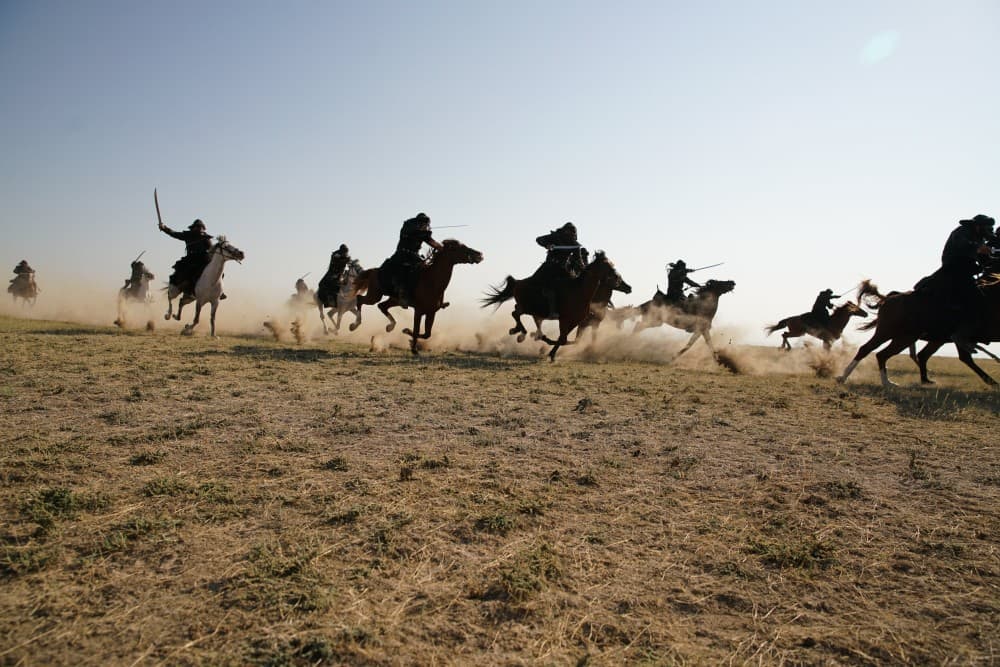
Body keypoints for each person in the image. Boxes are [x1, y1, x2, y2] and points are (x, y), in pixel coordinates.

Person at [914, 214, 995, 336]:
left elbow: (984, 259)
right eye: (988, 228)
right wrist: (978, 248)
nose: (990, 231)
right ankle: (962, 332)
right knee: (975, 297)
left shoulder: (979, 238)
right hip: (953, 269)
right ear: (978, 227)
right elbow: (963, 245)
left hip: (966, 270)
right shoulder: (962, 231)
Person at [379, 213, 442, 307]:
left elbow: (432, 243)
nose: (426, 227)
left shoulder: (422, 234)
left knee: (425, 270)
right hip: (402, 255)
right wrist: (422, 231)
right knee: (405, 272)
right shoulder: (408, 228)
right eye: (425, 224)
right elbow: (415, 234)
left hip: (414, 256)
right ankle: (402, 296)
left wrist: (442, 248)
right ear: (420, 223)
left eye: (427, 225)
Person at [532, 222, 589, 315]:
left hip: (563, 269)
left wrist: (584, 268)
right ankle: (551, 310)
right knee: (540, 284)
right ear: (565, 231)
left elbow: (578, 260)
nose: (571, 234)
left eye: (573, 232)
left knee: (574, 285)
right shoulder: (555, 237)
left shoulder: (575, 244)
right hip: (549, 266)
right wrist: (547, 245)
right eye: (570, 232)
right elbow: (539, 239)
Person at [158, 218, 222, 298]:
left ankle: (218, 291)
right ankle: (179, 288)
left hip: (204, 259)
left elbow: (211, 249)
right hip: (191, 260)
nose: (199, 228)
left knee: (217, 271)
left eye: (200, 227)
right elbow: (174, 233)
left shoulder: (206, 238)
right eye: (197, 227)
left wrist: (219, 246)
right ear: (193, 227)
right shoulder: (187, 235)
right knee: (184, 272)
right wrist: (164, 228)